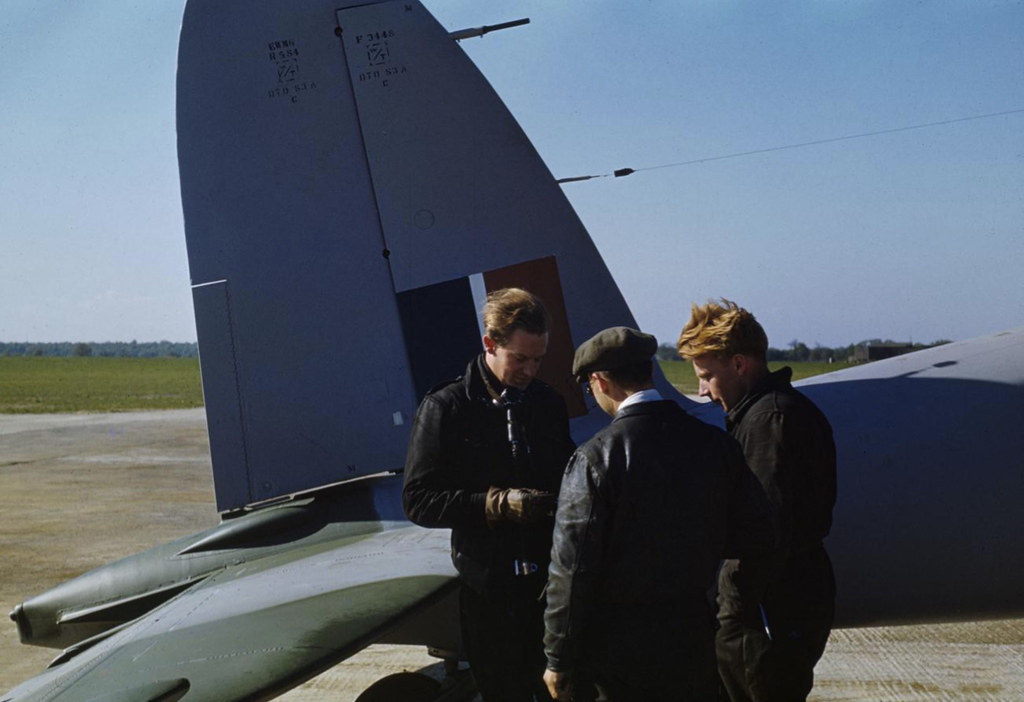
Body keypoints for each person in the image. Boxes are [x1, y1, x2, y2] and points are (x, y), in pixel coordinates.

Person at [543, 326, 774, 702]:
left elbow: (571, 569)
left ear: (599, 381)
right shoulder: (715, 445)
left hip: (619, 652)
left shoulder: (594, 458)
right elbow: (757, 534)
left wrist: (558, 657)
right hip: (693, 638)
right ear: (648, 371)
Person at [402, 287, 575, 702]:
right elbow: (419, 499)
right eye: (520, 359)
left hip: (545, 591)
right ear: (489, 344)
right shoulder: (446, 407)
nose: (530, 370)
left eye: (538, 359)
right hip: (489, 595)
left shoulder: (547, 404)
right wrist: (496, 504)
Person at [677, 299, 837, 702]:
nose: (702, 391)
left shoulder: (770, 422)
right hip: (774, 603)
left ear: (739, 365)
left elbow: (764, 529)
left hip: (765, 610)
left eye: (706, 376)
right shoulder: (769, 414)